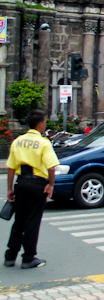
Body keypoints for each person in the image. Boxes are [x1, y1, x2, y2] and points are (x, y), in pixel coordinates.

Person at [4, 109, 59, 269]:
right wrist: (51, 185)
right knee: (32, 222)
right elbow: (51, 168)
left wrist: (9, 189)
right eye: (44, 122)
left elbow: (11, 168)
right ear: (40, 123)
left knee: (19, 221)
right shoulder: (43, 142)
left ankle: (10, 256)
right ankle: (28, 258)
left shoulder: (18, 141)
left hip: (21, 183)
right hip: (37, 185)